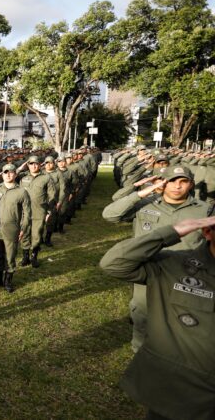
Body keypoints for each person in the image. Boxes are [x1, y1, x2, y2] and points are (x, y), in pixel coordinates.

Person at [99, 215, 215, 420]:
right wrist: (173, 231)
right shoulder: (174, 265)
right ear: (208, 231)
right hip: (182, 392)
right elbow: (113, 264)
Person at [102, 165, 209, 353]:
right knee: (142, 318)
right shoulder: (146, 205)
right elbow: (110, 215)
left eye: (183, 181)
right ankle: (140, 356)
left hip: (185, 274)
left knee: (184, 323)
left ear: (191, 184)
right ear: (162, 183)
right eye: (172, 181)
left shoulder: (205, 210)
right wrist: (143, 192)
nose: (177, 186)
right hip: (149, 272)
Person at [0, 163, 31, 292]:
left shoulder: (22, 192)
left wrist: (23, 229)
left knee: (10, 255)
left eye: (11, 172)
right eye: (5, 172)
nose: (8, 174)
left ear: (15, 174)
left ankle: (8, 281)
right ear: (2, 174)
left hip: (12, 228)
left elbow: (27, 213)